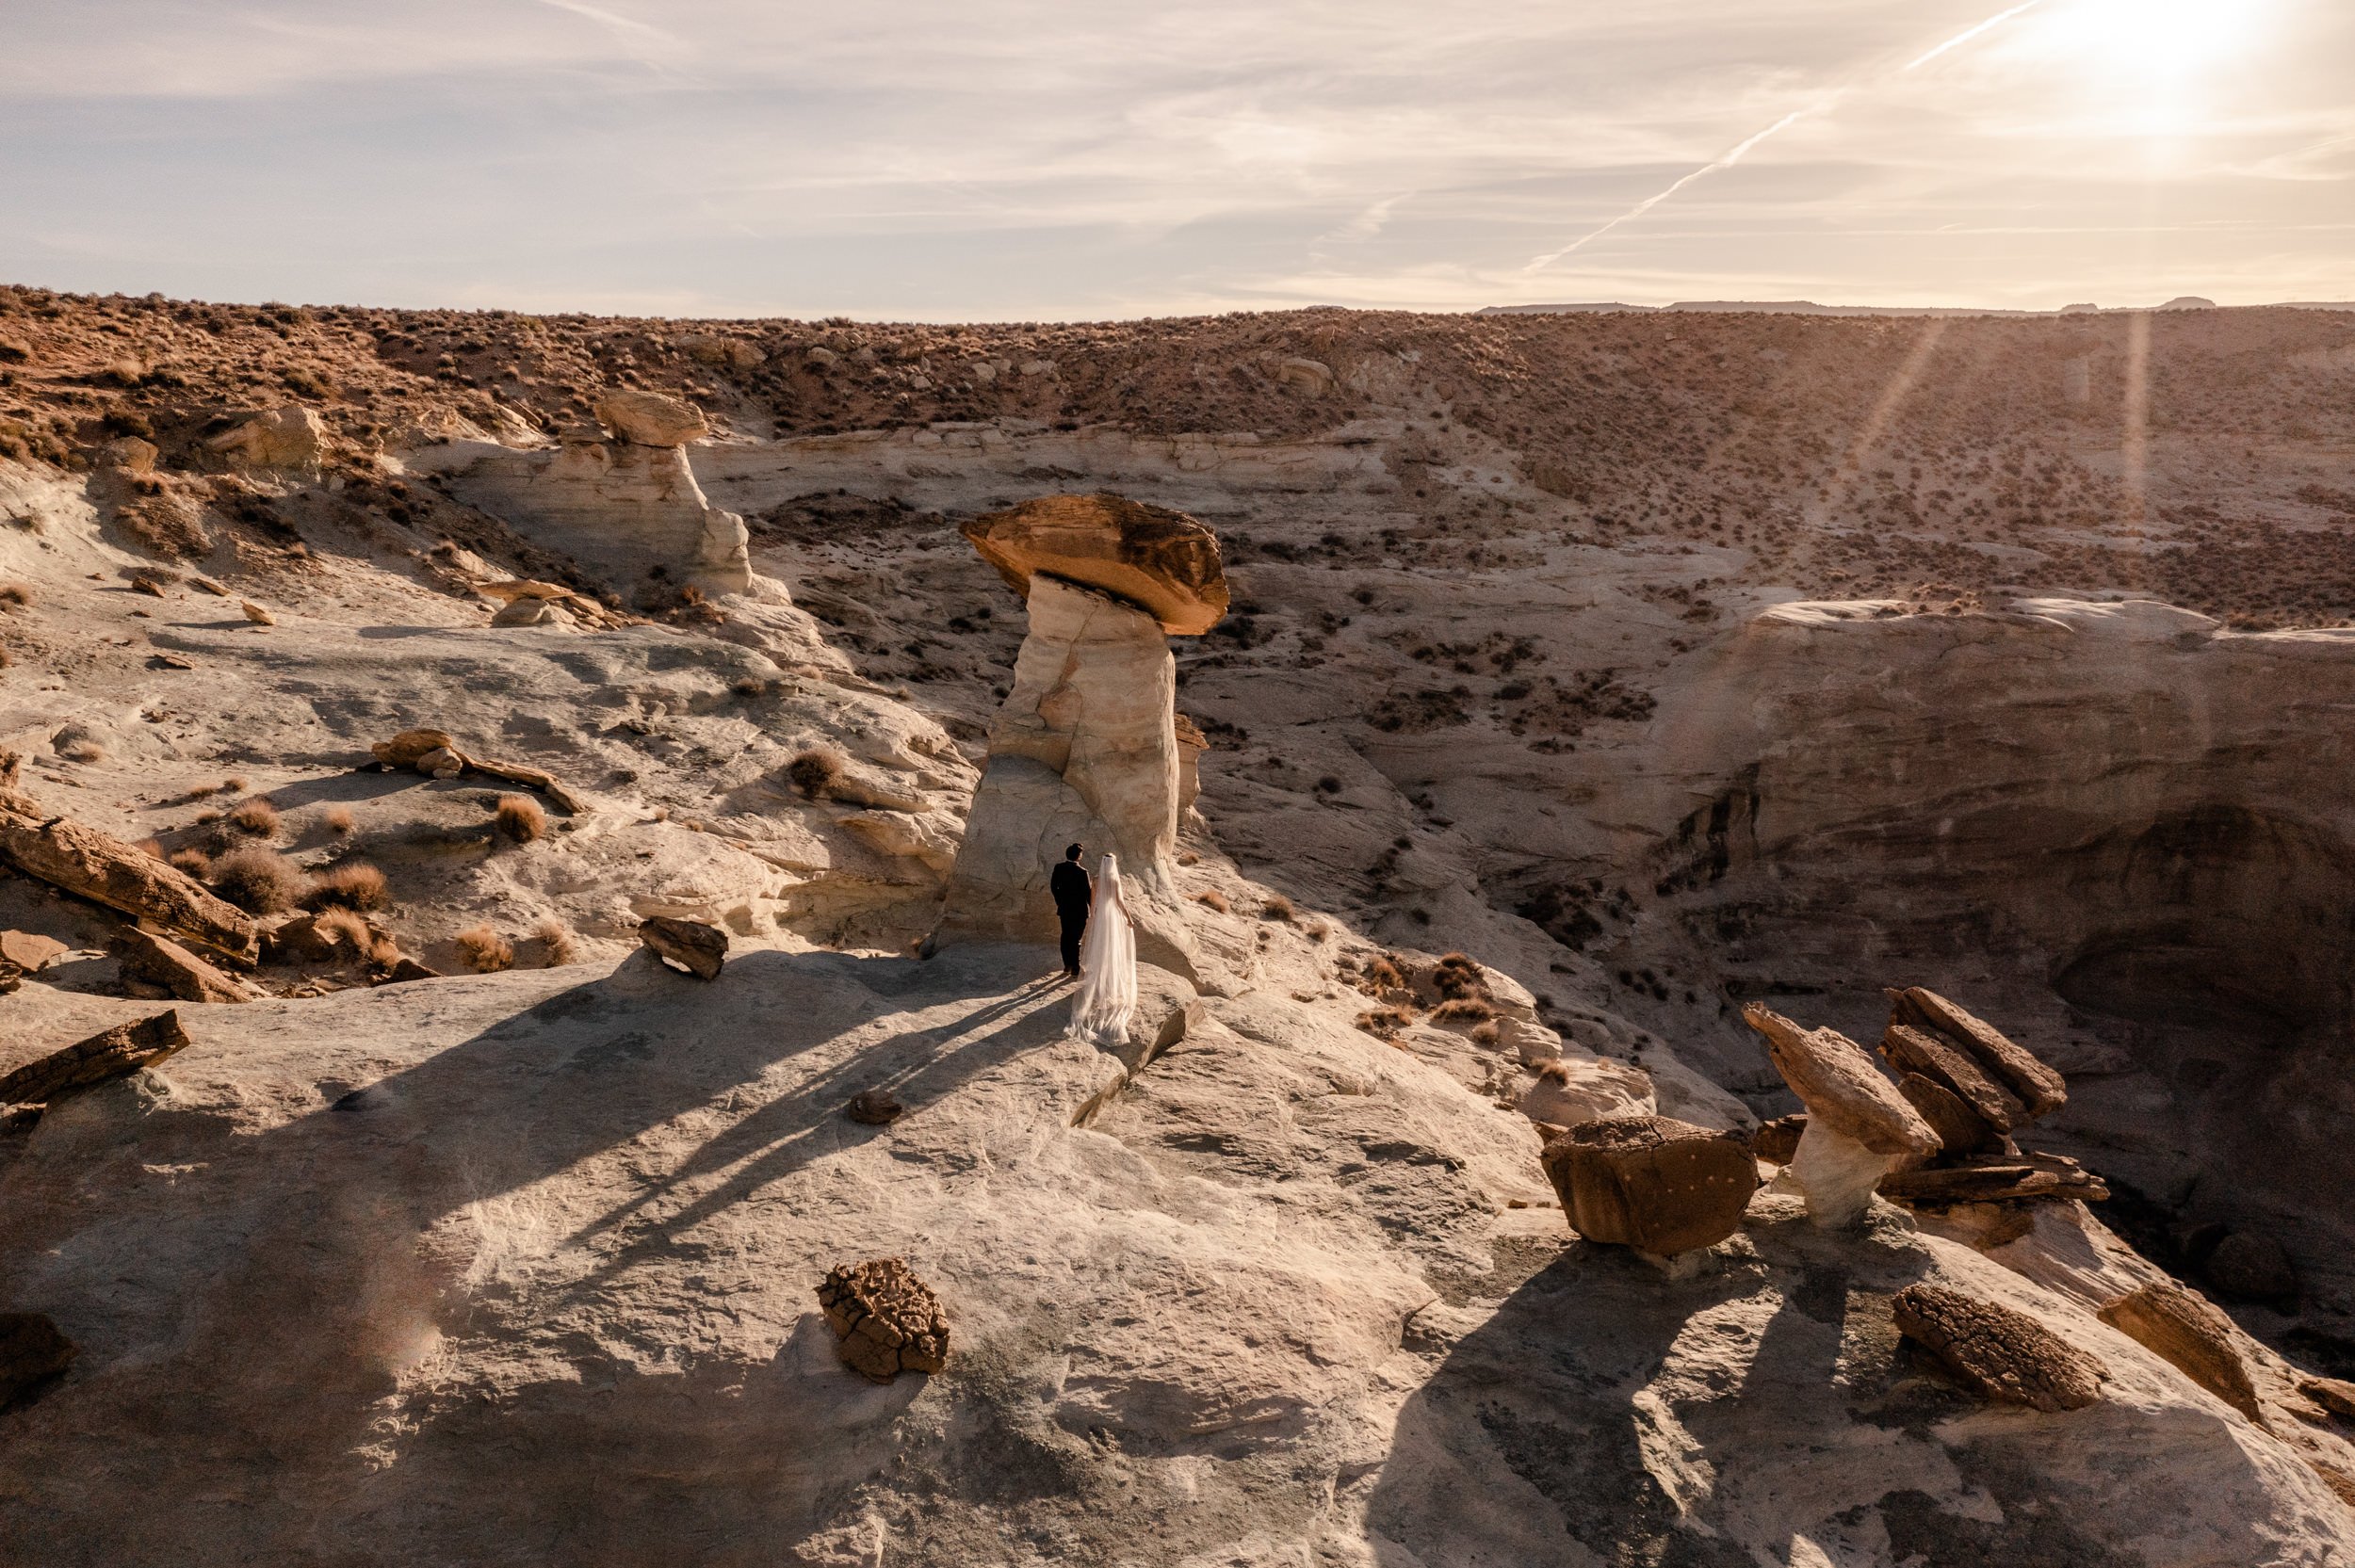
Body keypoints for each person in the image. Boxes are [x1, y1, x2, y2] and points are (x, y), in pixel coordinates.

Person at [1067, 852, 1137, 1048]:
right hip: (1113, 917)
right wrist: (1129, 918)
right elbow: (1119, 902)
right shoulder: (1114, 880)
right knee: (1112, 948)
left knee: (1100, 947)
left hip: (1100, 917)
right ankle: (1110, 983)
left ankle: (1098, 984)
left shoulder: (1097, 880)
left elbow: (1093, 901)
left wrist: (1092, 917)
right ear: (1113, 864)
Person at [1049, 843, 1091, 978]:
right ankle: (1076, 967)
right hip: (1080, 911)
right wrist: (1093, 908)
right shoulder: (1083, 872)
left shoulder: (1059, 868)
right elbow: (1087, 894)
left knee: (1066, 936)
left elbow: (1054, 887)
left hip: (1065, 909)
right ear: (1079, 856)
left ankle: (1067, 965)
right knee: (1076, 939)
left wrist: (1060, 901)